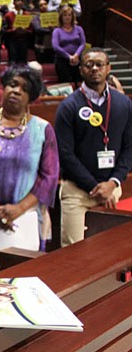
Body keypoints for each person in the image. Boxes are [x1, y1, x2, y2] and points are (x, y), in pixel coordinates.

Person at [0, 64, 59, 253]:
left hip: (28, 216)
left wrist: (19, 209)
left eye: (24, 89)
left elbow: (49, 177)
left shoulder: (42, 129)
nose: (16, 91)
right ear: (4, 87)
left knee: (27, 272)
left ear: (31, 98)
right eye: (12, 85)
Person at [55, 48, 132, 246]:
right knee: (75, 256)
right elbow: (65, 154)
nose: (95, 68)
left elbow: (129, 148)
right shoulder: (68, 106)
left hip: (111, 189)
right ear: (81, 70)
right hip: (77, 193)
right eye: (89, 65)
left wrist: (112, 183)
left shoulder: (124, 104)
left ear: (109, 69)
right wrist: (95, 187)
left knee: (111, 253)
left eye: (100, 64)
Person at [52, 5, 85, 84]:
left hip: (77, 59)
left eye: (69, 15)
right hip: (62, 60)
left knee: (79, 81)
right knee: (65, 82)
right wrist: (69, 56)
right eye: (65, 15)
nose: (67, 17)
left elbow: (82, 43)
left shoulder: (79, 29)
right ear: (61, 17)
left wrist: (76, 55)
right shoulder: (57, 31)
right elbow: (55, 46)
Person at [3, 0, 33, 64]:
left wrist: (25, 31)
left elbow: (31, 30)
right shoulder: (8, 15)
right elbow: (4, 30)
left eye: (22, 1)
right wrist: (13, 30)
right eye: (18, 0)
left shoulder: (27, 15)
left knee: (23, 61)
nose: (20, 2)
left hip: (24, 41)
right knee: (13, 61)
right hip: (12, 41)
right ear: (14, 3)